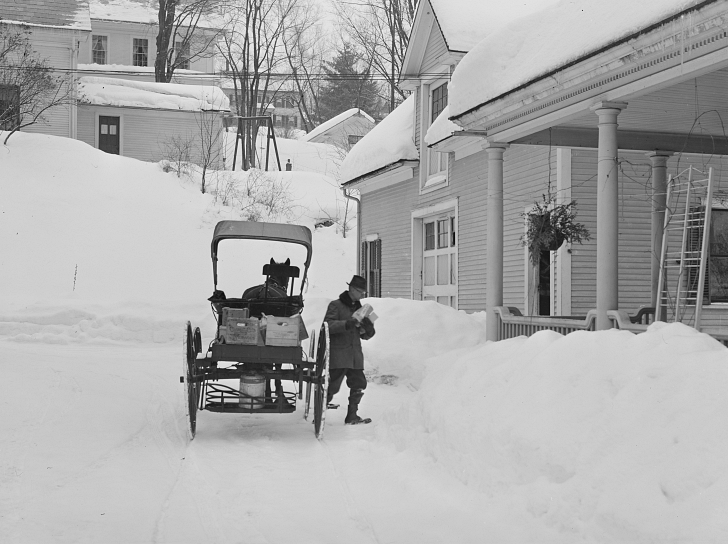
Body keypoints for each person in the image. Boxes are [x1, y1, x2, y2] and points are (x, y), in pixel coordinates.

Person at [324, 274, 376, 425]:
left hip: (354, 355)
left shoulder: (363, 309)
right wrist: (348, 324)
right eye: (360, 292)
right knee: (332, 387)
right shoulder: (335, 305)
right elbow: (328, 326)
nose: (361, 295)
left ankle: (352, 416)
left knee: (359, 383)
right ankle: (320, 413)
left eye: (363, 293)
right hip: (339, 354)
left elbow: (367, 336)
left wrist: (368, 328)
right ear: (351, 289)